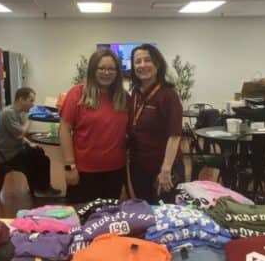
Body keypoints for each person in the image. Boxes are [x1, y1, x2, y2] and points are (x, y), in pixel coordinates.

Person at [59, 48, 129, 204]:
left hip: (115, 172)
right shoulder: (77, 94)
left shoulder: (124, 97)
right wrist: (69, 166)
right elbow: (64, 129)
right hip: (83, 172)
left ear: (118, 72)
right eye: (101, 68)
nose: (106, 72)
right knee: (81, 220)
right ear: (93, 70)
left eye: (111, 69)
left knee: (108, 220)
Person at [127, 44, 184, 203]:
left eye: (148, 60)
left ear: (157, 64)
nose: (142, 65)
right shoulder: (135, 93)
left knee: (165, 213)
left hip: (163, 167)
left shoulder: (168, 95)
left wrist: (165, 171)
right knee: (145, 210)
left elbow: (174, 135)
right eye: (138, 61)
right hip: (139, 166)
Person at [0, 87, 61, 198]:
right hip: (9, 155)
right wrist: (31, 116)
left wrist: (29, 143)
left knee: (39, 151)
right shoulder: (8, 113)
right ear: (21, 99)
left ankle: (39, 187)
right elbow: (22, 132)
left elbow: (17, 135)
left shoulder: (14, 111)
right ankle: (43, 189)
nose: (32, 105)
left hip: (14, 149)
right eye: (31, 101)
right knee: (43, 160)